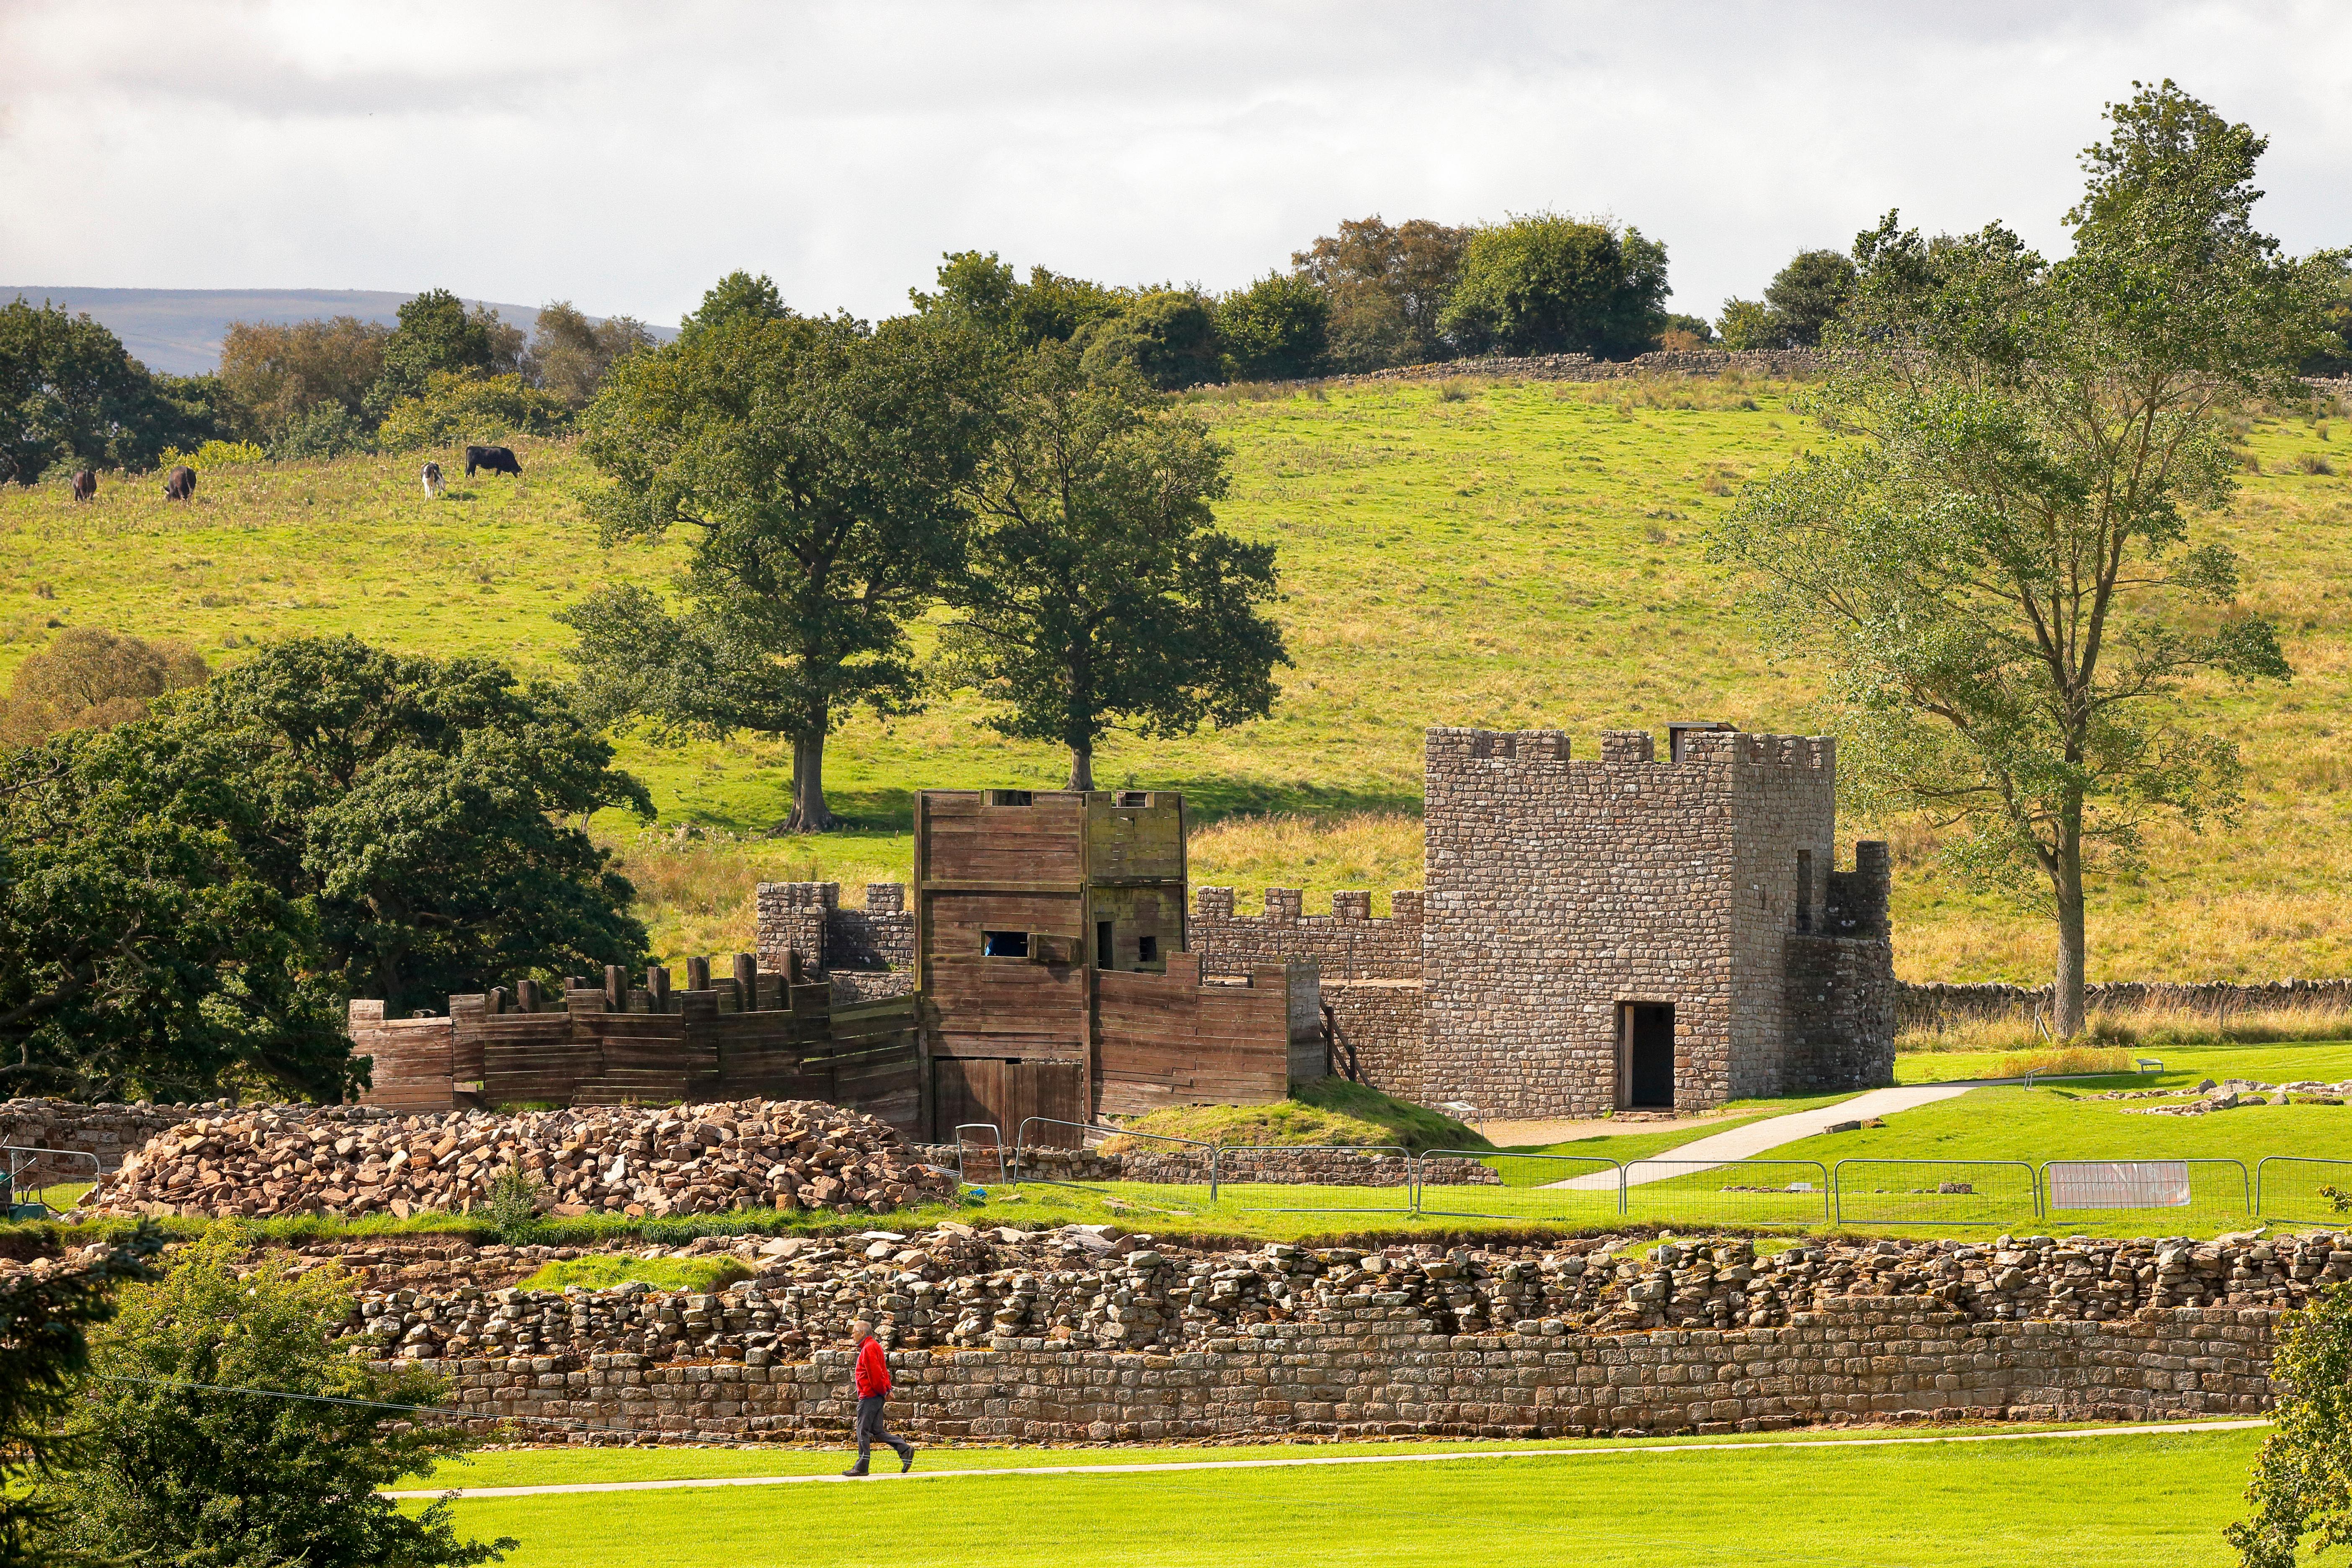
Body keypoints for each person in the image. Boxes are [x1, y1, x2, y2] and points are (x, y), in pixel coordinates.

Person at [843, 1318, 915, 1476]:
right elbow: (883, 1372)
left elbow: (875, 1375)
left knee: (862, 1431)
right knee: (877, 1431)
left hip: (870, 1396)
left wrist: (883, 1391)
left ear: (862, 1333)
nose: (852, 1336)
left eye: (854, 1333)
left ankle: (862, 1467)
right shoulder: (874, 1347)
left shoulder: (869, 1348)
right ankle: (905, 1449)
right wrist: (886, 1390)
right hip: (876, 1395)